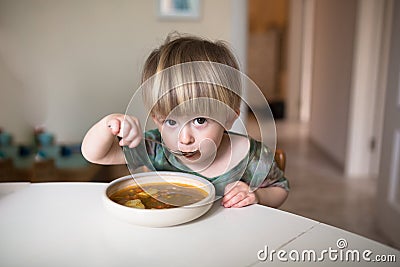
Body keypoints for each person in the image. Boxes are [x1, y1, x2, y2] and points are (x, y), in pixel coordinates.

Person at [82, 33, 289, 208]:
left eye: (199, 120)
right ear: (157, 120)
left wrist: (257, 196)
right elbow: (95, 155)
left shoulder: (251, 156)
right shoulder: (155, 148)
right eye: (170, 122)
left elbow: (280, 188)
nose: (185, 138)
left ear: (229, 117)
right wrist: (110, 124)